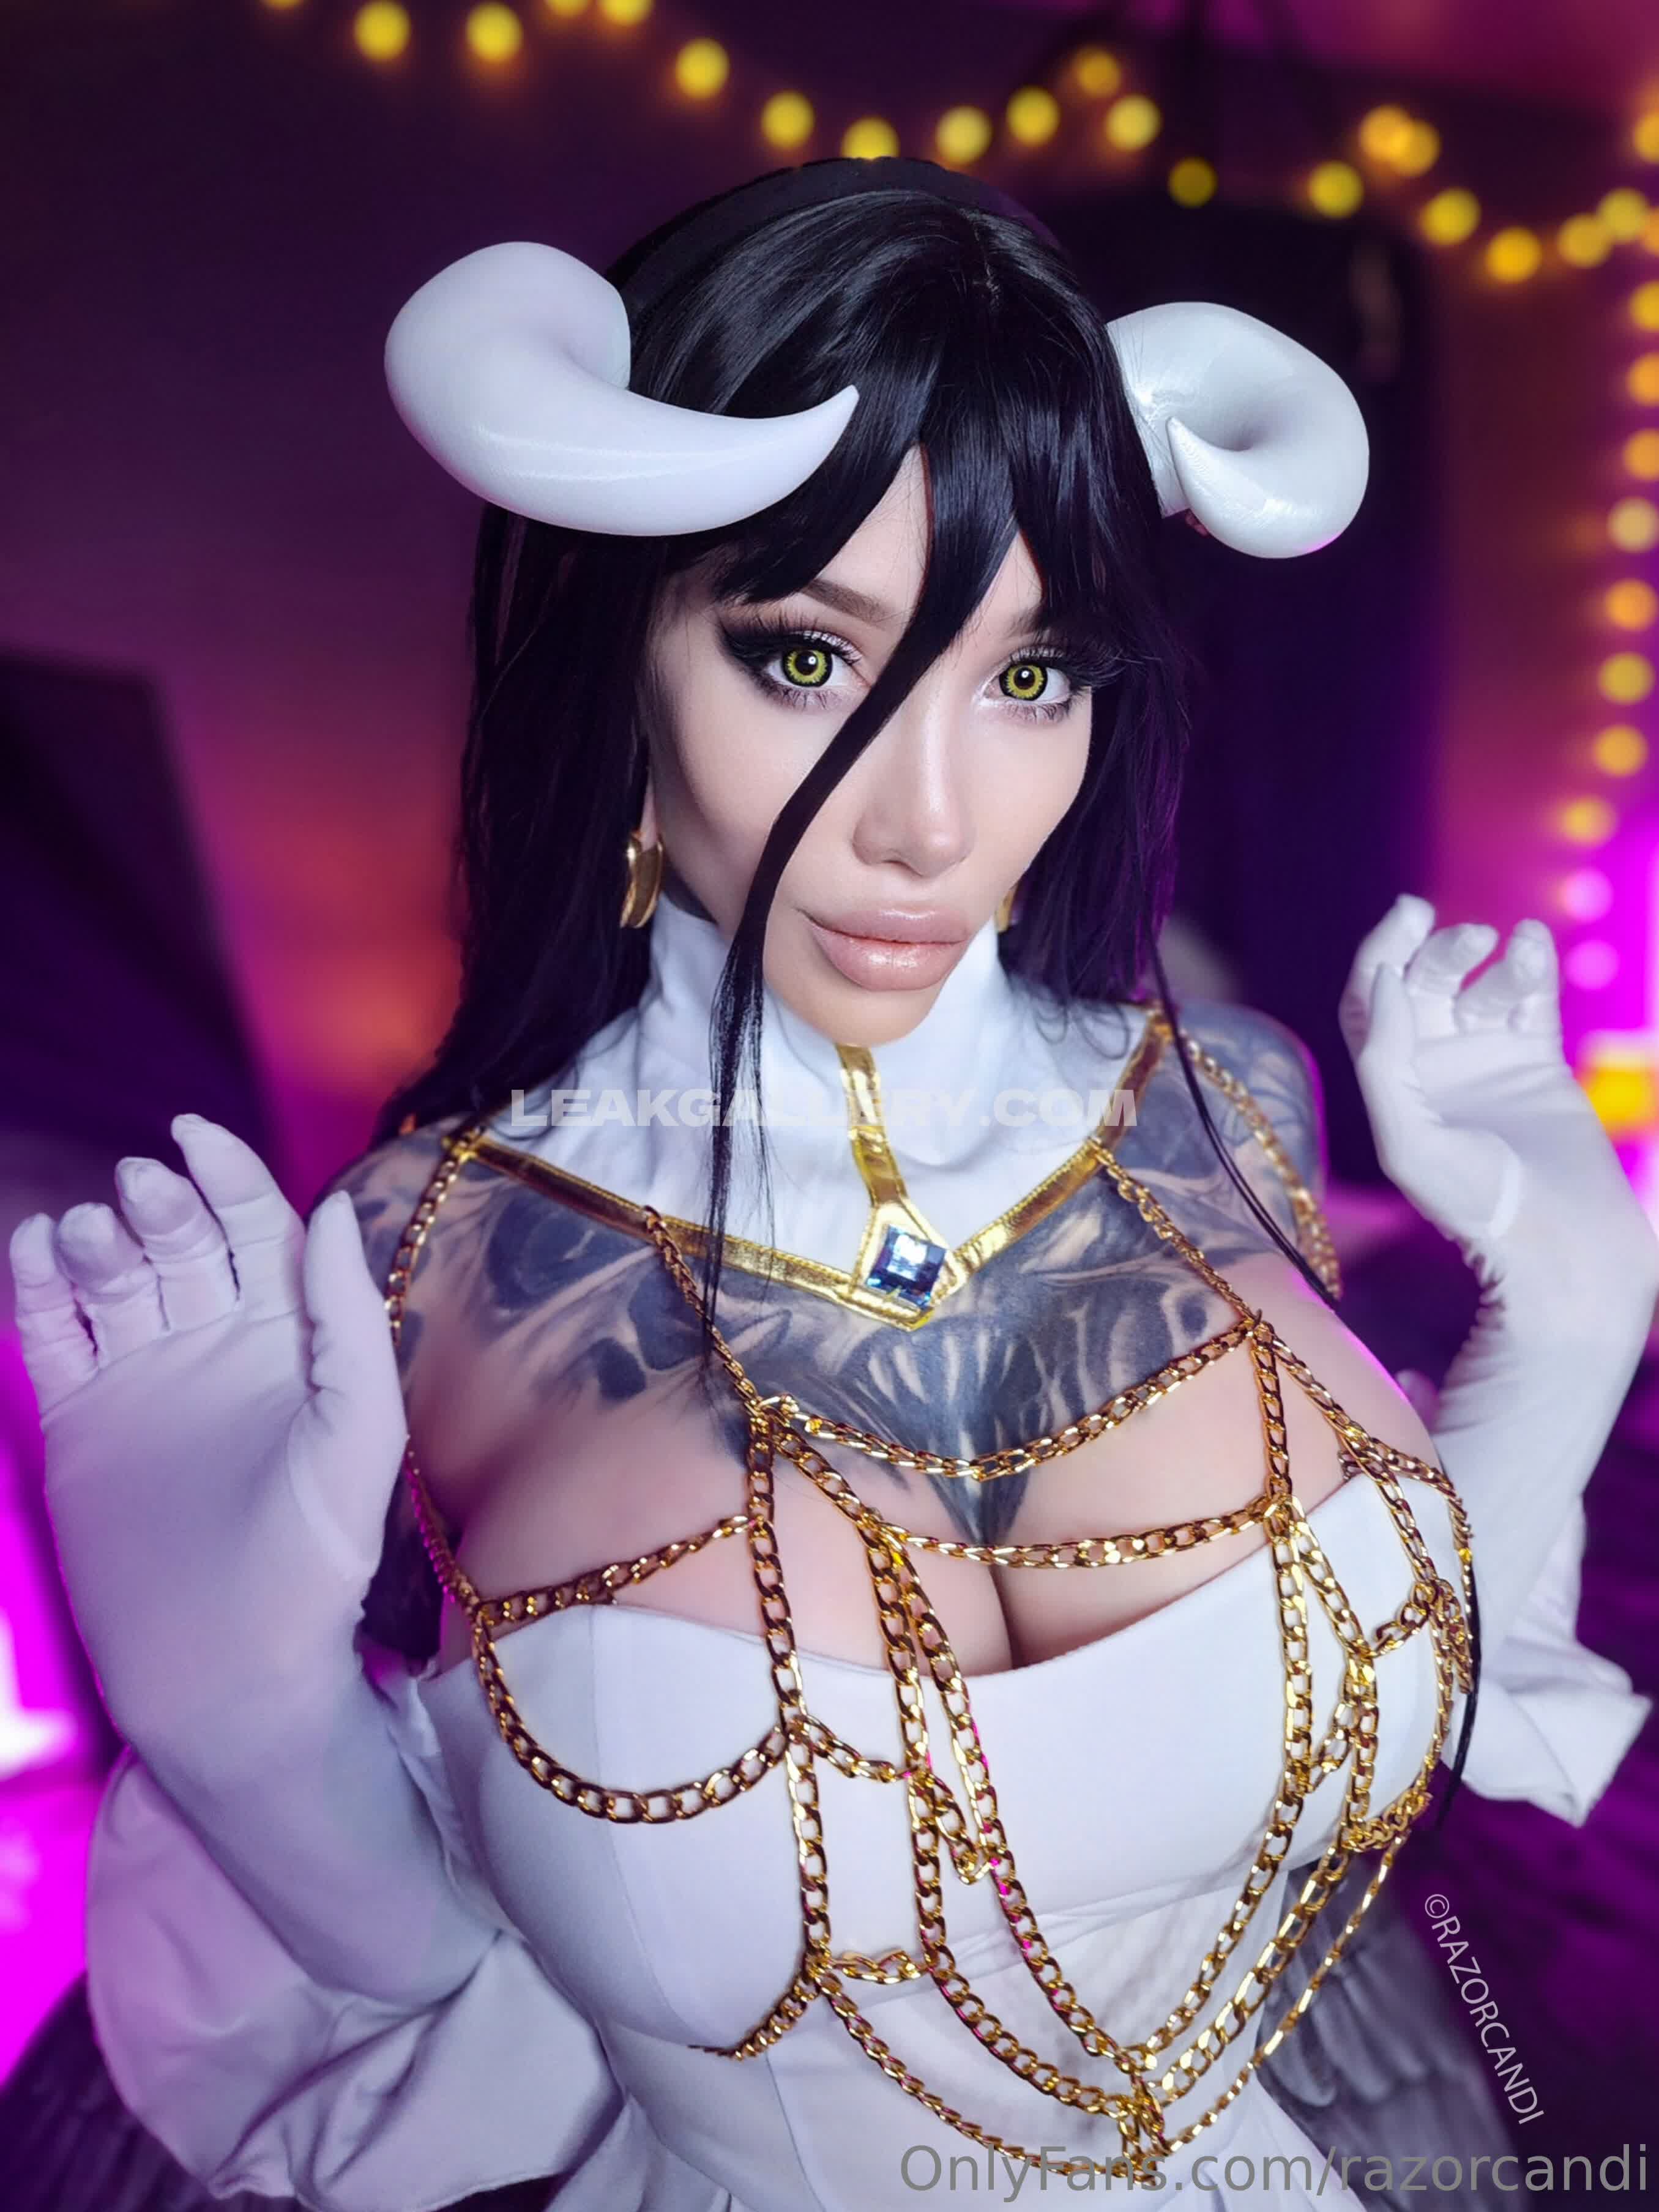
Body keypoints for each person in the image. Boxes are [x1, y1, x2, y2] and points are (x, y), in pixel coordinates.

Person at [6, 158, 1655, 2212]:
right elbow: (459, 1991)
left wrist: (1573, 1309)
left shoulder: (1231, 1096)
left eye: (1029, 675)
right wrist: (235, 1714)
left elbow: (1417, 1684)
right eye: (806, 657)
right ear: (623, 654)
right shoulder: (416, 1254)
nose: (931, 823)